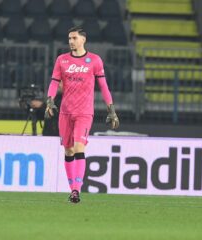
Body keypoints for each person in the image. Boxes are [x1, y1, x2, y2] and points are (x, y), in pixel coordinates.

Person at [45, 26, 119, 203]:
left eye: (74, 38)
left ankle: (77, 190)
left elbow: (103, 87)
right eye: (69, 38)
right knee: (68, 150)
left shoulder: (94, 60)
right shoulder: (62, 60)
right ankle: (73, 190)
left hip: (84, 112)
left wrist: (112, 110)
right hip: (65, 112)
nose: (71, 41)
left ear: (83, 40)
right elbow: (54, 83)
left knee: (79, 148)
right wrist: (50, 101)